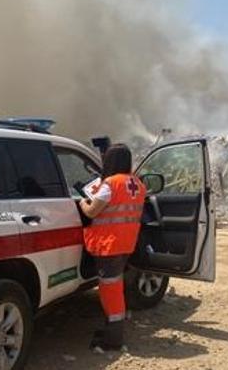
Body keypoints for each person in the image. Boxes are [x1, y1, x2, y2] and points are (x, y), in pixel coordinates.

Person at [80, 143, 147, 351]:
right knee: (115, 286)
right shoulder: (138, 184)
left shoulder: (110, 184)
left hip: (109, 245)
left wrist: (82, 202)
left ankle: (113, 339)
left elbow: (91, 212)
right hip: (126, 244)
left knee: (110, 291)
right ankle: (112, 330)